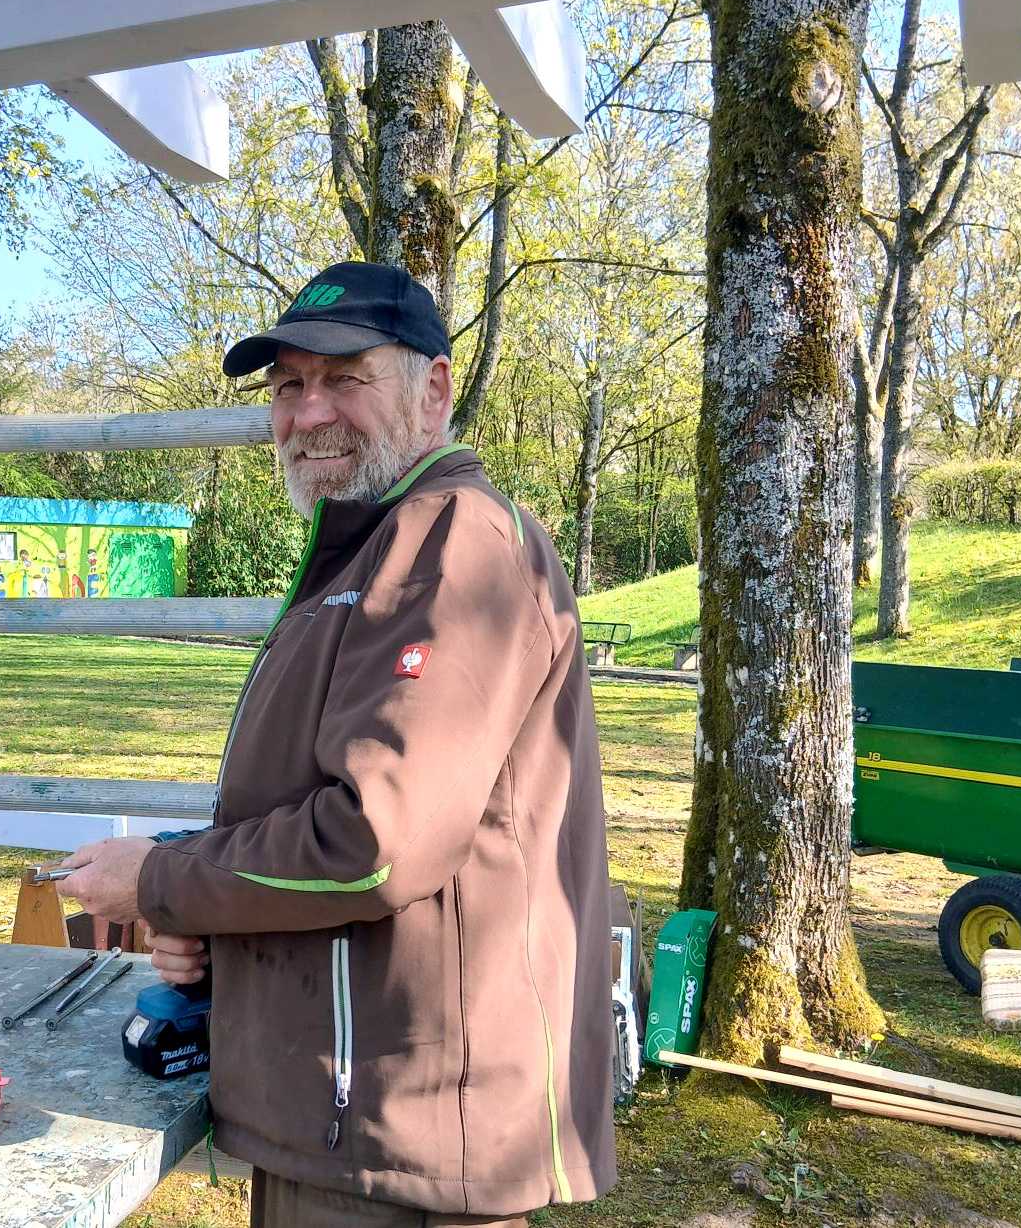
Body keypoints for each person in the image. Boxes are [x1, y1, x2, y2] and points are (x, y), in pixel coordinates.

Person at [60, 262, 616, 1226]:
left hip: (408, 1134)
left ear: (433, 389)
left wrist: (161, 882)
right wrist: (205, 906)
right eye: (287, 386)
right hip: (347, 1116)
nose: (308, 411)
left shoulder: (453, 545)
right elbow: (322, 808)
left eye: (345, 377)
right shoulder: (376, 545)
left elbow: (376, 841)